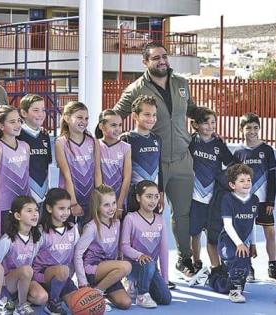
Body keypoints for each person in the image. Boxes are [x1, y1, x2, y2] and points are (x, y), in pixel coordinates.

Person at [114, 41, 197, 275]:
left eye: (164, 56)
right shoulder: (135, 89)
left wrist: (206, 120)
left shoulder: (181, 83)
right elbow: (116, 114)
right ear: (145, 62)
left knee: (183, 213)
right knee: (149, 213)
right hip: (153, 163)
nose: (162, 61)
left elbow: (190, 108)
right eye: (156, 58)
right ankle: (141, 266)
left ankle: (184, 258)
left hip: (182, 158)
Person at [187, 107, 233, 281]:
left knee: (213, 234)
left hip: (213, 197)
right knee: (195, 232)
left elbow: (231, 164)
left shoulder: (219, 144)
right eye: (205, 122)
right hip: (194, 195)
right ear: (196, 125)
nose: (210, 126)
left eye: (213, 122)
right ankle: (196, 261)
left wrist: (222, 180)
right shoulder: (190, 141)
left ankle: (217, 266)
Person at [233, 112, 276, 281]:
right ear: (241, 130)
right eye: (248, 128)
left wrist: (270, 200)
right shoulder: (238, 152)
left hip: (263, 201)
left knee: (270, 232)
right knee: (245, 233)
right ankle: (248, 266)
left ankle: (272, 264)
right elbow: (235, 178)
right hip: (245, 201)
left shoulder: (266, 150)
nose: (252, 131)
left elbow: (272, 177)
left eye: (255, 128)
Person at [74, 185, 132, 311]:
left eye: (113, 203)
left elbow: (118, 249)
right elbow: (77, 254)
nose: (111, 208)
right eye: (106, 205)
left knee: (125, 303)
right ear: (97, 207)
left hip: (109, 272)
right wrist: (82, 282)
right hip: (92, 269)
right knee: (126, 266)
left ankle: (101, 289)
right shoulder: (92, 227)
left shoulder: (117, 223)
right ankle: (96, 294)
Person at [207, 164, 258, 303]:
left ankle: (216, 281)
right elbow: (228, 225)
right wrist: (240, 244)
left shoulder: (254, 200)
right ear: (232, 184)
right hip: (227, 242)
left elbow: (252, 223)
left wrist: (252, 243)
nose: (246, 183)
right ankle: (234, 291)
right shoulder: (228, 199)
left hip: (243, 243)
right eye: (241, 181)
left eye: (248, 180)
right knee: (240, 258)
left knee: (244, 269)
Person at [121, 180, 172, 308]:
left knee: (165, 298)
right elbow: (124, 246)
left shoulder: (160, 220)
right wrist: (139, 256)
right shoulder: (130, 218)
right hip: (133, 266)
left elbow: (163, 251)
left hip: (151, 269)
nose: (153, 201)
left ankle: (142, 284)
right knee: (148, 262)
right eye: (148, 196)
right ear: (138, 197)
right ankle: (141, 294)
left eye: (156, 197)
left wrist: (165, 279)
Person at [0, 196, 48, 315]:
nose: (35, 214)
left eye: (36, 210)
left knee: (42, 297)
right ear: (18, 216)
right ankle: (21, 305)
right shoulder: (7, 240)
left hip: (25, 280)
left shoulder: (36, 239)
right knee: (27, 270)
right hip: (7, 283)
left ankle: (17, 299)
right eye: (29, 211)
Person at [32, 188, 79, 315]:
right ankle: (53, 302)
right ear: (49, 208)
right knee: (63, 270)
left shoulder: (73, 230)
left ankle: (56, 296)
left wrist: (82, 282)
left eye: (68, 208)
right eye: (61, 208)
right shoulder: (41, 231)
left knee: (79, 306)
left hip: (63, 278)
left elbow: (76, 258)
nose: (66, 212)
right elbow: (29, 258)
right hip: (42, 276)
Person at [55, 101, 102, 226]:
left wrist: (99, 199)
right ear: (67, 118)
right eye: (79, 117)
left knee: (89, 237)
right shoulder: (61, 143)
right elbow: (67, 176)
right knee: (71, 238)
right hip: (69, 198)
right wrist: (73, 202)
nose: (84, 121)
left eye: (86, 118)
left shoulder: (93, 141)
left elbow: (97, 172)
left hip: (90, 197)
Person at [0, 105, 30, 237]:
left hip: (24, 203)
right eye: (12, 122)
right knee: (6, 242)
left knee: (24, 241)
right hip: (5, 205)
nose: (17, 125)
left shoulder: (25, 146)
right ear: (0, 126)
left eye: (19, 121)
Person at [120, 95, 164, 214]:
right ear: (135, 115)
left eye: (154, 115)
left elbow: (160, 168)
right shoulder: (126, 139)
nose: (151, 118)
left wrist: (161, 192)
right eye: (147, 114)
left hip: (153, 197)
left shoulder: (157, 139)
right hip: (133, 197)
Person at [95, 110, 131, 216]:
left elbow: (127, 178)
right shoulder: (95, 145)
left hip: (118, 202)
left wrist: (119, 205)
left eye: (120, 125)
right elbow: (97, 174)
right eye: (113, 125)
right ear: (101, 126)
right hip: (99, 202)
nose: (118, 129)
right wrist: (100, 202)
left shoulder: (126, 147)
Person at [18, 94, 52, 205]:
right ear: (23, 113)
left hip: (43, 191)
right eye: (36, 110)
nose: (41, 114)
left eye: (43, 110)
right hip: (23, 193)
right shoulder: (17, 135)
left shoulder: (45, 135)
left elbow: (48, 164)